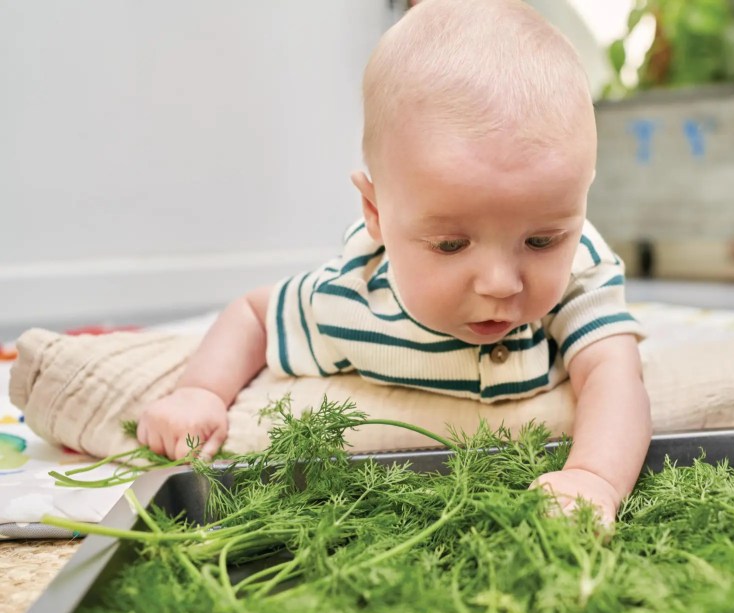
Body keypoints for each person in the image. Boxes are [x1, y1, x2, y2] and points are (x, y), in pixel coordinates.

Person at [136, 0, 651, 524]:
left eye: (541, 241)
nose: (500, 283)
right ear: (376, 214)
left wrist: (593, 476)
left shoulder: (580, 271)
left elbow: (614, 373)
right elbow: (253, 315)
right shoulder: (352, 298)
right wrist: (200, 391)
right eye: (451, 245)